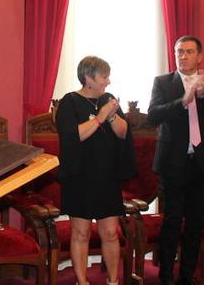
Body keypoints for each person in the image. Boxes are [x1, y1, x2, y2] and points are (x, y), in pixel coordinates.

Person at [147, 35, 204, 285]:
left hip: (201, 163)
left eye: (188, 52)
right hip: (173, 163)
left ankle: (187, 277)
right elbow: (153, 115)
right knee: (172, 221)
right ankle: (167, 277)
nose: (182, 56)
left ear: (199, 56)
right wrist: (182, 102)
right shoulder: (163, 82)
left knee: (195, 223)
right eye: (179, 52)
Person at [55, 56, 136, 285]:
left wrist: (111, 117)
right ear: (88, 78)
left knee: (110, 233)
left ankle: (113, 281)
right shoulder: (69, 102)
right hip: (79, 176)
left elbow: (123, 132)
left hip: (106, 177)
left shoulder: (108, 99)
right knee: (80, 233)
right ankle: (82, 282)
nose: (108, 81)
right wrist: (100, 117)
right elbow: (73, 136)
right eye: (104, 76)